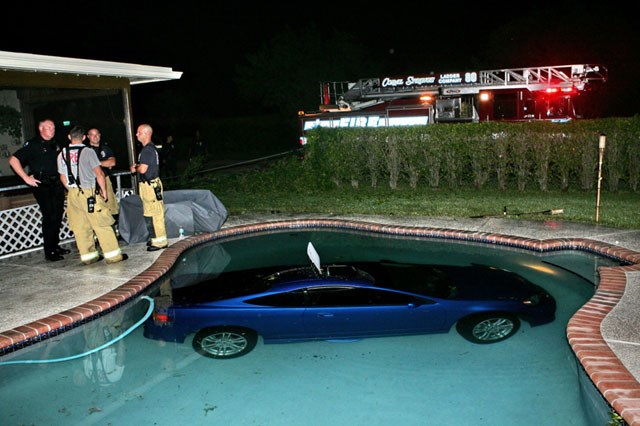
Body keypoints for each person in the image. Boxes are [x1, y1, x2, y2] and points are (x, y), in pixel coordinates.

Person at [57, 125, 127, 265]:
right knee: (102, 223)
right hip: (88, 192)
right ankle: (113, 256)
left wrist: (72, 190)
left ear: (69, 137)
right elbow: (99, 174)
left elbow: (62, 177)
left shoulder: (62, 154)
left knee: (80, 227)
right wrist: (104, 192)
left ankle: (89, 256)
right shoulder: (88, 151)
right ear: (84, 137)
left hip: (72, 194)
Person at [9, 119, 69, 261]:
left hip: (57, 183)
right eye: (49, 127)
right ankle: (49, 251)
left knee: (58, 214)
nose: (52, 130)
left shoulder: (56, 144)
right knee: (49, 216)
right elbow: (13, 160)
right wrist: (26, 178)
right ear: (41, 128)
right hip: (42, 184)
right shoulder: (33, 145)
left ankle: (55, 245)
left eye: (53, 127)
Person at [130, 124, 168, 251]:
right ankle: (154, 238)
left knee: (155, 214)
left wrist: (135, 167)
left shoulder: (147, 150)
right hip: (147, 186)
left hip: (150, 186)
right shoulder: (148, 149)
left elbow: (143, 169)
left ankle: (160, 242)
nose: (136, 135)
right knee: (149, 213)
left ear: (146, 133)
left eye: (139, 132)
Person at [86, 127, 120, 227]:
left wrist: (96, 164)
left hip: (105, 179)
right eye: (92, 135)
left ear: (100, 135)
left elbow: (112, 162)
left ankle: (114, 229)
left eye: (97, 134)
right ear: (88, 137)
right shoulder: (85, 150)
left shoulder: (105, 149)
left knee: (111, 205)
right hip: (91, 182)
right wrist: (103, 164)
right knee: (95, 207)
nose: (95, 137)